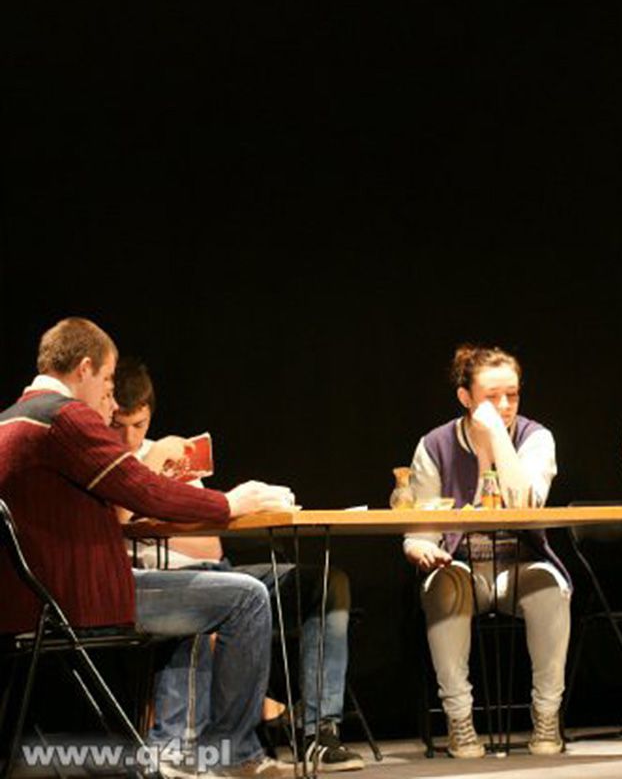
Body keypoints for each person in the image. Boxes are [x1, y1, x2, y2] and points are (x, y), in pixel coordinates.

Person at [0, 318, 295, 778]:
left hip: (30, 601)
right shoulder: (65, 418)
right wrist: (231, 503)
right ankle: (233, 755)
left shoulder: (11, 419)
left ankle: (178, 748)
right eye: (108, 379)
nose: (110, 395)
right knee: (248, 597)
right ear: (84, 368)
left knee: (201, 591)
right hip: (79, 599)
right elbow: (143, 491)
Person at [110, 358, 363, 770]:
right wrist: (151, 463)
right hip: (161, 584)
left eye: (138, 425)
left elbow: (210, 538)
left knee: (326, 585)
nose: (128, 437)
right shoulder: (113, 462)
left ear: (150, 414)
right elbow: (116, 523)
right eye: (117, 426)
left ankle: (318, 732)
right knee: (208, 594)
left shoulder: (172, 456)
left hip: (219, 573)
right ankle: (195, 749)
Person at [402, 345, 569, 758]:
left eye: (512, 395)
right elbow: (420, 527)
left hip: (520, 568)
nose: (505, 406)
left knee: (551, 586)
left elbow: (524, 505)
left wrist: (496, 436)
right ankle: (460, 721)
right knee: (446, 584)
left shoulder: (535, 438)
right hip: (462, 567)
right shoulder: (435, 446)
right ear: (465, 397)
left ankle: (547, 716)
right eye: (492, 397)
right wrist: (420, 548)